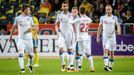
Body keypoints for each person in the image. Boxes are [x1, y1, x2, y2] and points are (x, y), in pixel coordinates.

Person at [9, 5, 35, 73]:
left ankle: (29, 64)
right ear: (24, 10)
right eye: (28, 10)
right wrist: (10, 36)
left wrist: (31, 29)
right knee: (21, 54)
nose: (29, 11)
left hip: (29, 39)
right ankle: (22, 69)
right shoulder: (18, 18)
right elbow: (14, 27)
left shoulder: (30, 18)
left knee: (31, 55)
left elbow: (34, 27)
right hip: (21, 39)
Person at [97, 5, 121, 71]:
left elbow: (118, 25)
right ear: (105, 10)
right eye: (107, 9)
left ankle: (110, 67)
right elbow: (100, 28)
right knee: (105, 50)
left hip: (112, 37)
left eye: (109, 9)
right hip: (105, 37)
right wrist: (98, 37)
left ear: (111, 10)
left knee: (112, 53)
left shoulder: (114, 17)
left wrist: (118, 30)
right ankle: (106, 65)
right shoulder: (102, 18)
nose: (108, 10)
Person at [70, 7, 95, 72]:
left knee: (78, 53)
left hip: (80, 38)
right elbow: (91, 21)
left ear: (79, 12)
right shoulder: (89, 19)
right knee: (88, 53)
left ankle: (78, 68)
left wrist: (72, 15)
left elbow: (71, 22)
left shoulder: (78, 19)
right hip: (86, 38)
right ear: (85, 12)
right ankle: (92, 67)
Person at [55, 2, 75, 72]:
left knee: (69, 50)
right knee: (61, 48)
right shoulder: (59, 15)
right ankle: (63, 63)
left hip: (69, 33)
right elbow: (56, 24)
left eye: (66, 6)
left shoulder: (71, 15)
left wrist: (74, 34)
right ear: (62, 7)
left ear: (68, 7)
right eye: (63, 6)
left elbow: (74, 24)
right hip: (61, 34)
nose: (65, 7)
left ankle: (69, 66)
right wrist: (58, 32)